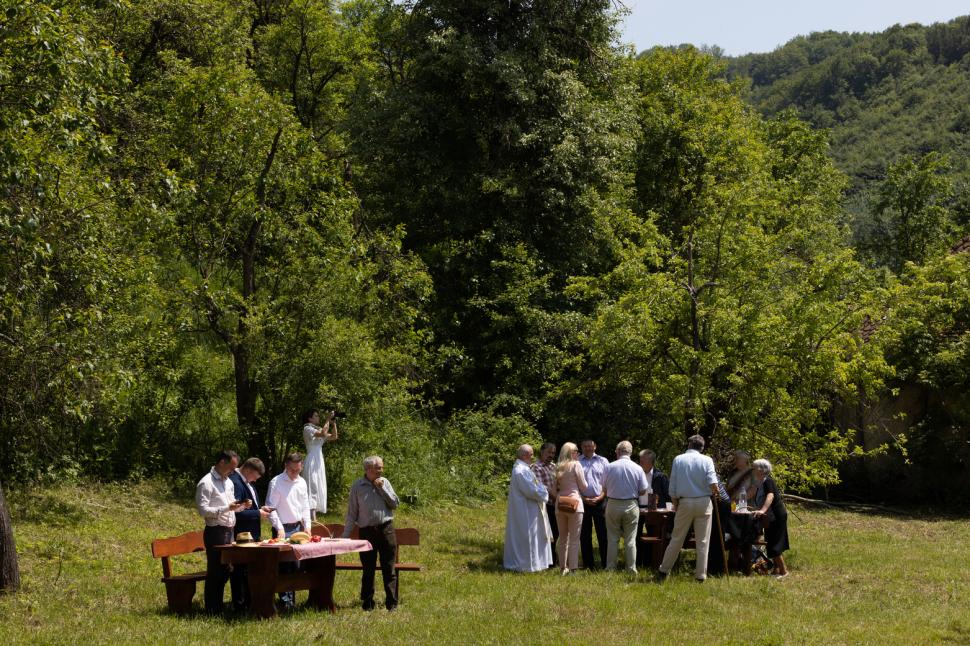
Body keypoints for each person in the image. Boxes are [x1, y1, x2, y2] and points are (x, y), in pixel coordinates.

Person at [658, 435, 719, 582]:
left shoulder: (679, 459)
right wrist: (716, 492)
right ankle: (701, 575)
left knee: (676, 538)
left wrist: (675, 503)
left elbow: (673, 485)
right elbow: (713, 483)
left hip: (685, 502)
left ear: (689, 444)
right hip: (704, 502)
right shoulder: (707, 460)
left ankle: (664, 570)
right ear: (702, 447)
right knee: (703, 541)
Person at [343, 455, 400, 611]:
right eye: (378, 468)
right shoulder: (358, 486)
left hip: (386, 529)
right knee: (368, 569)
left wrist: (381, 488)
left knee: (389, 568)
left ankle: (392, 603)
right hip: (367, 532)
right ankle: (367, 603)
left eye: (381, 467)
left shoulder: (385, 482)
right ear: (368, 469)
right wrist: (345, 537)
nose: (381, 470)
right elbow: (352, 514)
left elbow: (394, 504)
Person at [195, 450, 247, 614]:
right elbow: (203, 510)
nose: (233, 471)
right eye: (231, 467)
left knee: (226, 570)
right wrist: (226, 508)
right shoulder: (206, 482)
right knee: (216, 571)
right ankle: (212, 609)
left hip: (229, 530)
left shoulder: (228, 482)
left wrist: (242, 506)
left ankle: (219, 607)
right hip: (215, 531)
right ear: (221, 462)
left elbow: (231, 507)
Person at [265, 453, 312, 611]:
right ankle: (285, 601)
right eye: (292, 470)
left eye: (298, 470)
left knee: (297, 565)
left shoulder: (302, 482)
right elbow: (270, 508)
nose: (295, 473)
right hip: (283, 528)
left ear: (301, 467)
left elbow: (305, 506)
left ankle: (292, 599)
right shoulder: (276, 482)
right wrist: (279, 528)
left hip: (298, 528)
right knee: (284, 565)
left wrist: (307, 525)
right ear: (286, 466)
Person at [503, 444, 553, 572]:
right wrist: (545, 490)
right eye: (531, 454)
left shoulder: (524, 469)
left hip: (530, 508)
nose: (533, 457)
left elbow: (535, 486)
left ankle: (536, 564)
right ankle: (525, 565)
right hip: (525, 511)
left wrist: (541, 488)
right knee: (527, 537)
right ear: (525, 455)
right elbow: (532, 490)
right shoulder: (521, 471)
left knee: (533, 536)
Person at [228, 457, 269, 611]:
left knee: (249, 570)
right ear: (248, 470)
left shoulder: (247, 482)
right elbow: (236, 512)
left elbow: (249, 507)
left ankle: (250, 602)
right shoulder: (236, 483)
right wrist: (257, 513)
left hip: (251, 535)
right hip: (241, 535)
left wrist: (260, 509)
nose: (255, 480)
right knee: (239, 571)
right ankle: (239, 605)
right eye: (255, 476)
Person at [602, 441, 649, 574]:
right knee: (630, 539)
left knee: (612, 538)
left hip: (613, 503)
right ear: (630, 452)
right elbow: (643, 490)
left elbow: (604, 488)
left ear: (618, 452)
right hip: (631, 504)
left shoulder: (609, 467)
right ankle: (631, 568)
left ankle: (611, 568)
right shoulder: (638, 468)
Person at [751, 458, 790, 579]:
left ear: (761, 470)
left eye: (754, 467)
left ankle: (783, 571)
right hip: (769, 517)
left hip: (776, 515)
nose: (752, 469)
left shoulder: (768, 481)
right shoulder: (760, 482)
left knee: (774, 543)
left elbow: (770, 495)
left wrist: (762, 510)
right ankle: (776, 570)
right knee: (771, 541)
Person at [553, 442, 587, 576]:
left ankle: (563, 568)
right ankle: (573, 568)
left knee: (562, 538)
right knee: (574, 538)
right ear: (571, 453)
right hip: (575, 504)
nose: (578, 453)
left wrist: (560, 496)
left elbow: (553, 490)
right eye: (576, 451)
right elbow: (584, 486)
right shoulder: (576, 465)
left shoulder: (557, 467)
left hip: (560, 504)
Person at [578, 439, 609, 569]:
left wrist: (600, 497)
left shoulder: (603, 461)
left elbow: (607, 483)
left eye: (590, 446)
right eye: (585, 446)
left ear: (595, 446)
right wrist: (583, 498)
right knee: (584, 535)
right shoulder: (577, 461)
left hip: (600, 501)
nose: (588, 448)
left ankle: (606, 563)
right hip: (582, 502)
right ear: (581, 447)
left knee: (603, 533)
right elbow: (574, 483)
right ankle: (588, 565)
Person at [302, 409, 338, 518]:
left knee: (318, 485)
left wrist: (333, 423)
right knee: (312, 485)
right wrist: (327, 419)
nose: (318, 417)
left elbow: (334, 437)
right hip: (312, 460)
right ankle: (310, 517)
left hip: (319, 460)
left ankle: (314, 516)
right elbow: (323, 433)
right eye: (316, 415)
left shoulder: (318, 429)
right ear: (310, 418)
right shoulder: (307, 429)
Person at [531, 442, 558, 567]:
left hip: (556, 504)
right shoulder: (535, 467)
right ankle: (547, 562)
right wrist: (557, 498)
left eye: (553, 453)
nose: (551, 455)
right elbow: (541, 487)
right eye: (549, 452)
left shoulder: (554, 466)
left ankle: (553, 559)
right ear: (542, 452)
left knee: (556, 533)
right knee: (547, 533)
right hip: (545, 506)